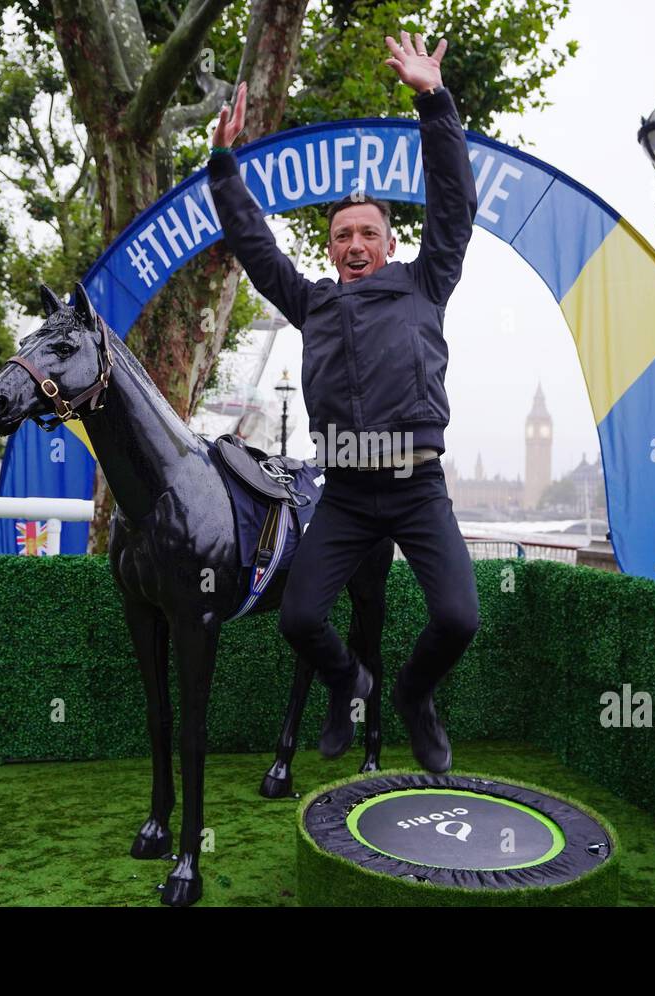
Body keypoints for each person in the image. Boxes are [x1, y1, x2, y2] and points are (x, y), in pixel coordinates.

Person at [207, 30, 478, 773]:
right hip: (347, 492)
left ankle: (413, 697)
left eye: (367, 232)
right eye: (341, 235)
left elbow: (454, 202)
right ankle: (346, 685)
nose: (354, 242)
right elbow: (256, 248)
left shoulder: (427, 282)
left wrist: (434, 99)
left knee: (458, 617)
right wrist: (224, 167)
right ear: (331, 248)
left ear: (388, 244)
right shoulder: (314, 302)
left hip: (418, 486)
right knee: (298, 617)